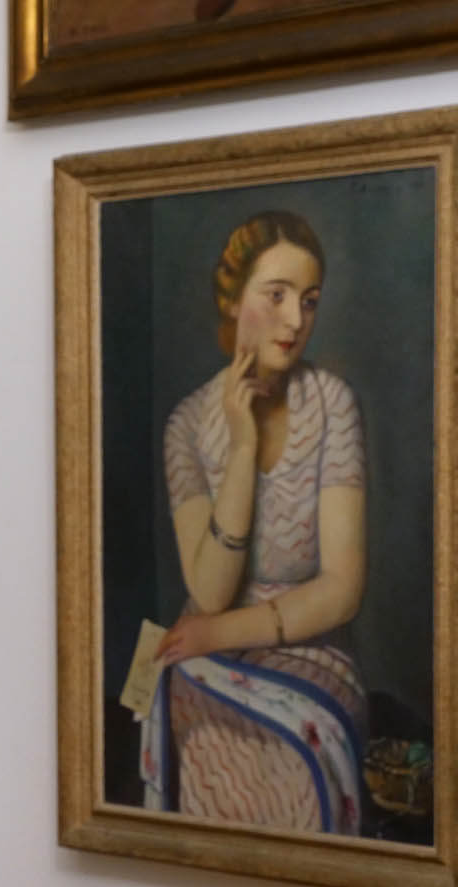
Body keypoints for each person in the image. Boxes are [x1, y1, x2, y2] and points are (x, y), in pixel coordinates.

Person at [146, 209, 369, 835]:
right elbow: (211, 589)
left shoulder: (332, 404)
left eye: (309, 300)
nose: (296, 320)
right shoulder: (188, 426)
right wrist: (242, 448)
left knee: (293, 757)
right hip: (205, 654)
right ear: (233, 299)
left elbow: (342, 589)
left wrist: (217, 632)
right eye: (277, 295)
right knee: (207, 741)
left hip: (312, 649)